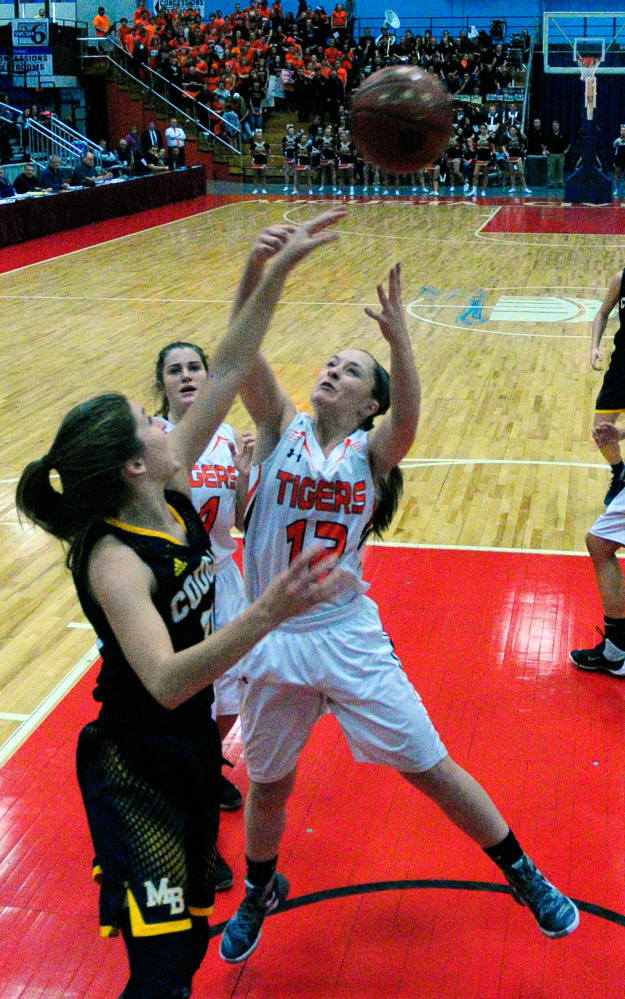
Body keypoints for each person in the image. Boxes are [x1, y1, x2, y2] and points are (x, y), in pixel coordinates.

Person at [15, 208, 348, 999]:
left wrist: (272, 275)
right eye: (148, 423)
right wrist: (265, 609)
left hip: (191, 749)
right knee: (162, 970)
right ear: (134, 462)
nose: (168, 425)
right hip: (136, 764)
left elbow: (229, 366)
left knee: (188, 940)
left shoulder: (164, 486)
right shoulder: (112, 560)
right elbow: (165, 680)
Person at [218, 253, 580, 963]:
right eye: (329, 362)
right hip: (273, 635)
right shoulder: (275, 428)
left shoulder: (371, 454)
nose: (331, 371)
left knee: (428, 765)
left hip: (346, 636)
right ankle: (260, 888)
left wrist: (399, 341)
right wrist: (262, 275)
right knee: (268, 783)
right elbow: (239, 349)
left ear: (368, 403)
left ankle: (523, 873)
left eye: (350, 371)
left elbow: (410, 416)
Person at [587, 267, 625, 505]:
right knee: (600, 432)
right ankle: (619, 473)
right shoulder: (622, 279)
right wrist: (594, 346)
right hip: (621, 368)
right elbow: (602, 314)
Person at [543, 121, 569, 190]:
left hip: (561, 154)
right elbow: (543, 143)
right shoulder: (549, 134)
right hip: (552, 154)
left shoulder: (563, 134)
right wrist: (546, 151)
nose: (555, 126)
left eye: (556, 125)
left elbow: (569, 142)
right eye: (553, 125)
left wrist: (567, 150)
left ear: (559, 126)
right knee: (551, 170)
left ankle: (560, 183)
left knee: (560, 169)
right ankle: (551, 183)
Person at [613, 124, 625, 199]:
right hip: (619, 160)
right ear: (620, 131)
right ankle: (616, 189)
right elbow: (614, 149)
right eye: (622, 131)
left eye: (624, 131)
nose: (623, 132)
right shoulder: (617, 141)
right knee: (617, 175)